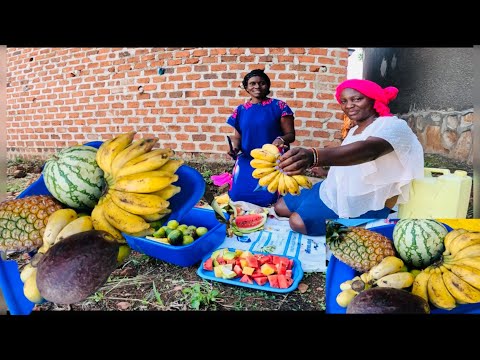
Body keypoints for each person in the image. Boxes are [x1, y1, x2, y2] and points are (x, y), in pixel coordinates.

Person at [274, 79, 424, 236]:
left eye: (357, 99)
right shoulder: (354, 131)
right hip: (332, 188)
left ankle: (362, 224)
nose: (349, 105)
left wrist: (314, 156)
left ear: (373, 99)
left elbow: (369, 151)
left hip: (366, 200)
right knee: (280, 207)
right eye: (344, 101)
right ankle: (319, 210)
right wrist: (327, 172)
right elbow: (353, 162)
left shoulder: (393, 125)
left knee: (297, 222)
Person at [226, 69, 296, 207]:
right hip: (247, 161)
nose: (257, 87)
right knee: (237, 197)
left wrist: (281, 140)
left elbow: (290, 135)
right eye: (252, 84)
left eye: (262, 83)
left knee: (268, 199)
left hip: (272, 162)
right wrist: (234, 148)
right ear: (246, 87)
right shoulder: (240, 110)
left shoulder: (279, 106)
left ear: (268, 86)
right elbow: (238, 137)